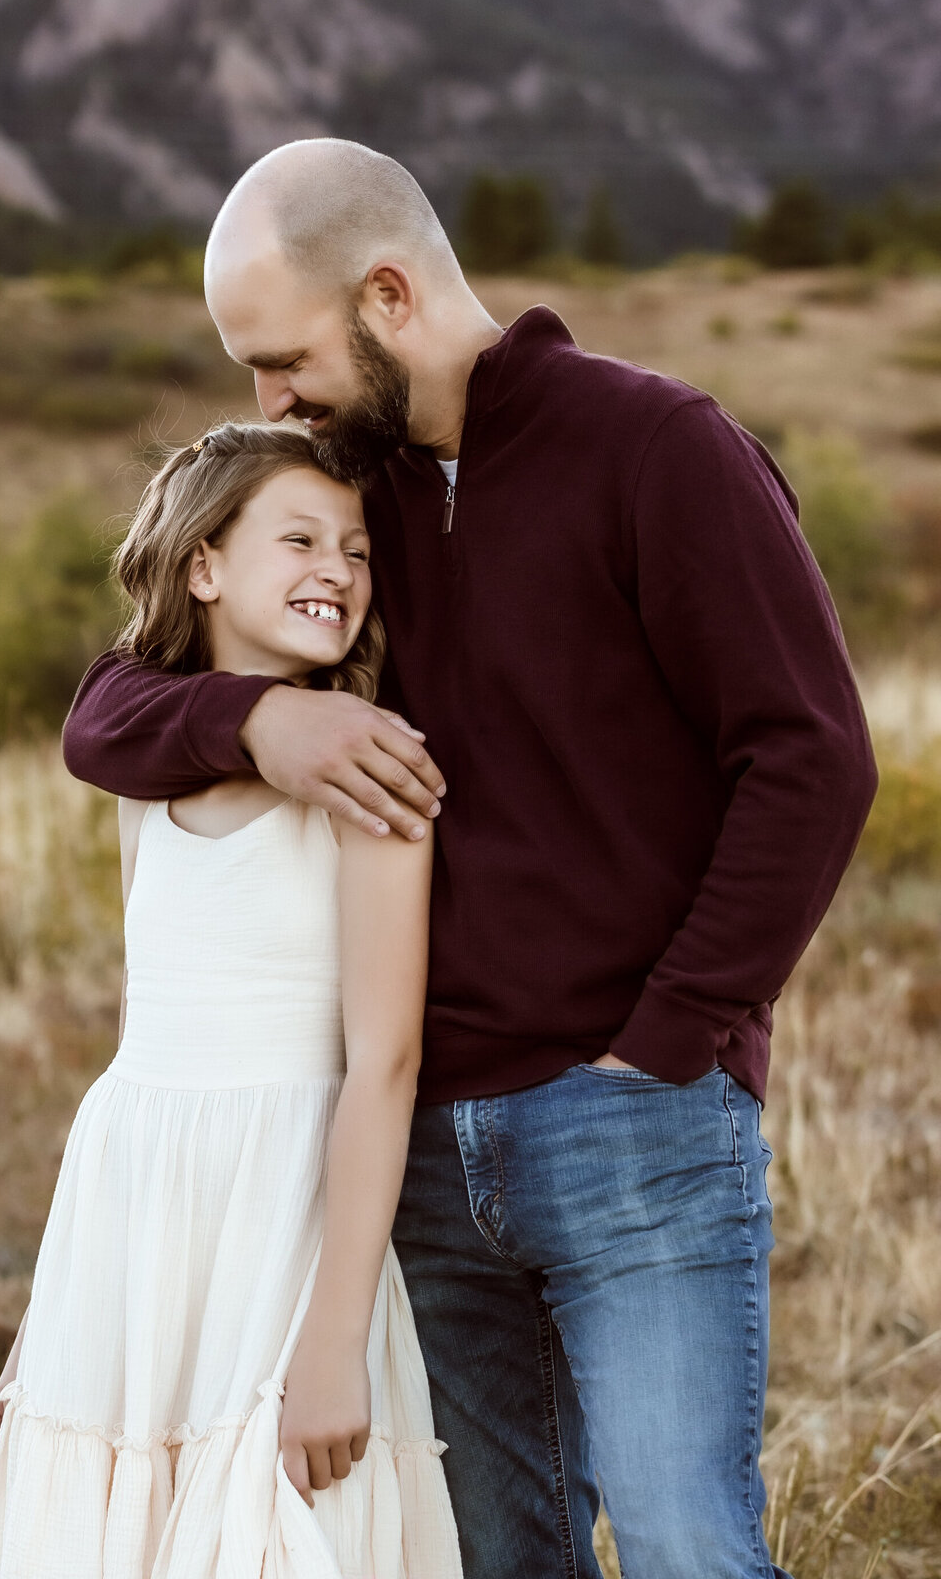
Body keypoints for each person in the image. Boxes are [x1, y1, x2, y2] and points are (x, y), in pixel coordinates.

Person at [62, 140, 879, 1579]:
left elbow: (812, 757)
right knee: (503, 1560)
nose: (269, 400)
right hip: (421, 1156)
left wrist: (671, 1039)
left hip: (633, 1122)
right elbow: (106, 711)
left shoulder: (658, 448)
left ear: (387, 293)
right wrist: (259, 718)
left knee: (689, 1545)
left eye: (283, 357)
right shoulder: (358, 506)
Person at [0, 422, 461, 1578]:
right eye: (298, 538)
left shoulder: (372, 771)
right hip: (134, 1202)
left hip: (288, 1209)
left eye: (355, 550)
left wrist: (335, 1338)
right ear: (203, 567)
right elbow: (140, 1042)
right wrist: (40, 1341)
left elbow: (383, 1065)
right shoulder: (149, 782)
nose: (337, 571)